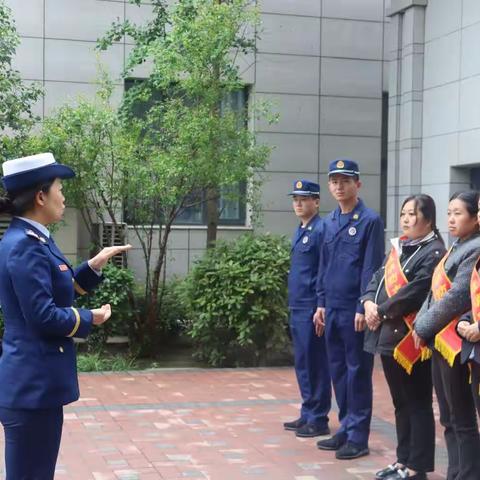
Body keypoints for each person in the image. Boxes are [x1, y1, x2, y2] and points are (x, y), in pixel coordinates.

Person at [0, 153, 131, 480]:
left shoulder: (35, 238)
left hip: (37, 384)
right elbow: (42, 315)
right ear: (40, 196)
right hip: (31, 386)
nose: (64, 195)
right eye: (59, 187)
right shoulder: (24, 245)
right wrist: (91, 318)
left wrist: (95, 263)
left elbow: (59, 288)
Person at [361, 194, 446, 480]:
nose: (406, 219)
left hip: (411, 340)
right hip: (388, 337)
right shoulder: (400, 248)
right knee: (400, 403)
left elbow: (417, 291)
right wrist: (368, 303)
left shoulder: (434, 251)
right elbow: (377, 279)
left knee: (418, 402)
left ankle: (416, 466)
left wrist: (381, 311)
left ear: (428, 220)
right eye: (403, 214)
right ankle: (402, 460)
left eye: (413, 214)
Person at [314, 159, 384, 460]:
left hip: (354, 310)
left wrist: (361, 305)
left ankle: (358, 436)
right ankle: (344, 427)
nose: (339, 186)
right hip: (331, 308)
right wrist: (320, 303)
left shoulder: (369, 220)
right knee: (338, 371)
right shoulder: (328, 222)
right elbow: (323, 265)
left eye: (345, 180)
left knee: (358, 372)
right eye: (334, 181)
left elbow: (371, 267)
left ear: (358, 184)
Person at [414, 191, 480, 480]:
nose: (451, 219)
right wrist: (420, 324)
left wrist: (422, 327)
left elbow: (456, 297)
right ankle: (455, 471)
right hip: (439, 342)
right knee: (448, 417)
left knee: (462, 418)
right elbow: (432, 294)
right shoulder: (457, 247)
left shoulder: (474, 249)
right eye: (449, 213)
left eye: (458, 213)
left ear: (475, 219)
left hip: (456, 342)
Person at [283, 179, 331, 438]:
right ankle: (307, 411)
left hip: (311, 307)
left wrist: (319, 305)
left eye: (304, 199)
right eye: (295, 199)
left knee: (316, 363)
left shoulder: (321, 229)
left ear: (316, 201)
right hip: (297, 305)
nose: (298, 203)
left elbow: (322, 270)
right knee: (302, 362)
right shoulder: (301, 229)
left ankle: (319, 417)